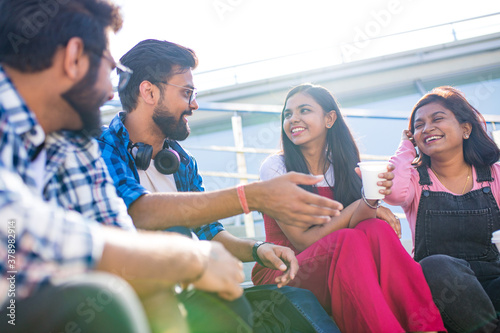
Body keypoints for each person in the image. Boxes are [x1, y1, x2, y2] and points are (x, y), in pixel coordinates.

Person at [0, 1, 245, 332]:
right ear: (74, 59)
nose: (110, 91)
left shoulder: (73, 141)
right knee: (103, 303)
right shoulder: (98, 142)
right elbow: (19, 235)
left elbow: (119, 237)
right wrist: (191, 257)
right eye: (111, 69)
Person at [97, 39, 340, 332]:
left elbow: (209, 231)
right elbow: (137, 213)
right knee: (178, 237)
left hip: (189, 292)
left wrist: (258, 250)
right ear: (148, 91)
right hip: (127, 300)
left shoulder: (181, 161)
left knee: (293, 302)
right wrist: (252, 197)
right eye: (187, 93)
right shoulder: (101, 147)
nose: (194, 104)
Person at [251, 83, 446, 332]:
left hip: (339, 262)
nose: (293, 119)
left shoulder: (342, 164)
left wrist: (370, 202)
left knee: (375, 227)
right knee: (348, 239)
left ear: (330, 118)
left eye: (304, 110)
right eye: (287, 114)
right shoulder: (276, 167)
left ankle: (427, 327)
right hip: (284, 271)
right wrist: (357, 205)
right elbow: (301, 241)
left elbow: (360, 222)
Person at [384, 86, 500, 333]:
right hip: (443, 294)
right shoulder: (415, 180)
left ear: (465, 129)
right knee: (434, 265)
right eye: (418, 125)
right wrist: (406, 145)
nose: (426, 128)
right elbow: (393, 192)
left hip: (493, 283)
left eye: (437, 119)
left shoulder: (494, 176)